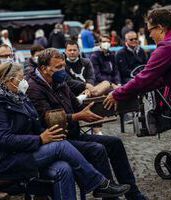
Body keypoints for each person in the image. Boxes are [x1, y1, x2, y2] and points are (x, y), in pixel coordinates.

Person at [27, 48, 148, 200]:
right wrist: (78, 116)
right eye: (58, 67)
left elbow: (76, 105)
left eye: (63, 66)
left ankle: (134, 194)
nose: (62, 70)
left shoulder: (60, 81)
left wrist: (98, 113)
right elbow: (47, 118)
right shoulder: (34, 88)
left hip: (73, 135)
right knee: (97, 149)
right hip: (56, 140)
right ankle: (108, 194)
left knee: (115, 143)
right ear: (44, 69)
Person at [0, 62, 131, 200]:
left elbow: (35, 124)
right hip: (10, 159)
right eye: (21, 78)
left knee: (64, 168)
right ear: (9, 80)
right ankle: (100, 184)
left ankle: (101, 187)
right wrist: (40, 139)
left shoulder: (20, 97)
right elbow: (4, 139)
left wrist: (49, 134)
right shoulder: (3, 102)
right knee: (61, 146)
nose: (24, 81)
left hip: (29, 150)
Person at [104, 8, 171, 179]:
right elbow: (158, 79)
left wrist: (117, 93)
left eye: (150, 30)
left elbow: (144, 78)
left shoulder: (167, 47)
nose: (149, 35)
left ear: (161, 28)